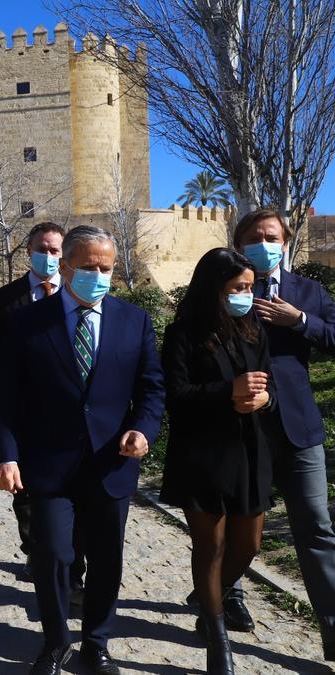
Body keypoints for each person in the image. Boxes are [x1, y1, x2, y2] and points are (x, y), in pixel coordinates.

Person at [0, 225, 165, 675]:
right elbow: (9, 396)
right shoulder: (29, 322)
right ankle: (54, 643)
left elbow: (151, 389)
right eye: (88, 267)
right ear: (65, 266)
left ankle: (97, 642)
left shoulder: (134, 320)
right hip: (49, 463)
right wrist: (5, 455)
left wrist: (143, 430)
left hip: (112, 462)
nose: (99, 275)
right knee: (51, 554)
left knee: (107, 558)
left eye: (106, 268)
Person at [224, 208, 335, 660]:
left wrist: (300, 321)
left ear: (285, 242)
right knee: (237, 524)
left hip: (297, 431)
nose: (263, 243)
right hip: (240, 428)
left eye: (270, 236)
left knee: (316, 528)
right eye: (253, 237)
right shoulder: (225, 292)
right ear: (239, 245)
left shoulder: (309, 292)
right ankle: (223, 598)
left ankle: (332, 632)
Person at [160, 248, 275, 674]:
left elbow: (270, 386)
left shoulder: (254, 329)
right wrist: (229, 390)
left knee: (249, 544)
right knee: (210, 546)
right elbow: (176, 395)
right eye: (237, 288)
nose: (246, 294)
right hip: (203, 454)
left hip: (250, 450)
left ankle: (211, 595)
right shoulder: (183, 333)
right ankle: (216, 635)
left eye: (249, 287)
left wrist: (264, 398)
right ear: (215, 288)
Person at [0, 222, 86, 598]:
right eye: (44, 248)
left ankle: (72, 569)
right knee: (24, 490)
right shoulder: (7, 298)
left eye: (56, 250)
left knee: (74, 490)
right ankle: (36, 550)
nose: (50, 256)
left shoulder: (76, 292)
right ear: (29, 250)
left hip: (67, 410)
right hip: (20, 407)